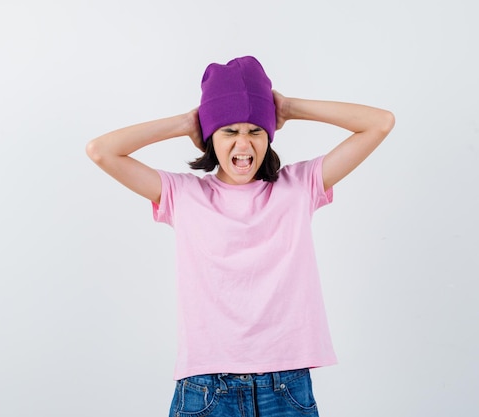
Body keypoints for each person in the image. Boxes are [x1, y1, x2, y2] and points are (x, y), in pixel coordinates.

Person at [86, 56, 394, 417]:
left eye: (255, 130)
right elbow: (101, 151)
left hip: (285, 388)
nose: (243, 144)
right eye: (229, 131)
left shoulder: (298, 187)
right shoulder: (183, 195)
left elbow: (380, 123)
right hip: (206, 390)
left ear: (269, 134)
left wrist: (290, 107)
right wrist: (188, 122)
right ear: (210, 137)